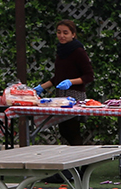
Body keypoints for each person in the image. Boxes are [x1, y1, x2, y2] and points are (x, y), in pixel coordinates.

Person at [37, 19, 94, 147]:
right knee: (63, 131)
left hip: (74, 96)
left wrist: (71, 82)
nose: (61, 36)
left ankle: (80, 164)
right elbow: (58, 77)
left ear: (73, 34)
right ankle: (69, 163)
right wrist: (41, 87)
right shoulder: (61, 51)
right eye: (59, 32)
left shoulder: (78, 51)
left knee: (72, 131)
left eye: (65, 33)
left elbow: (89, 76)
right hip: (60, 96)